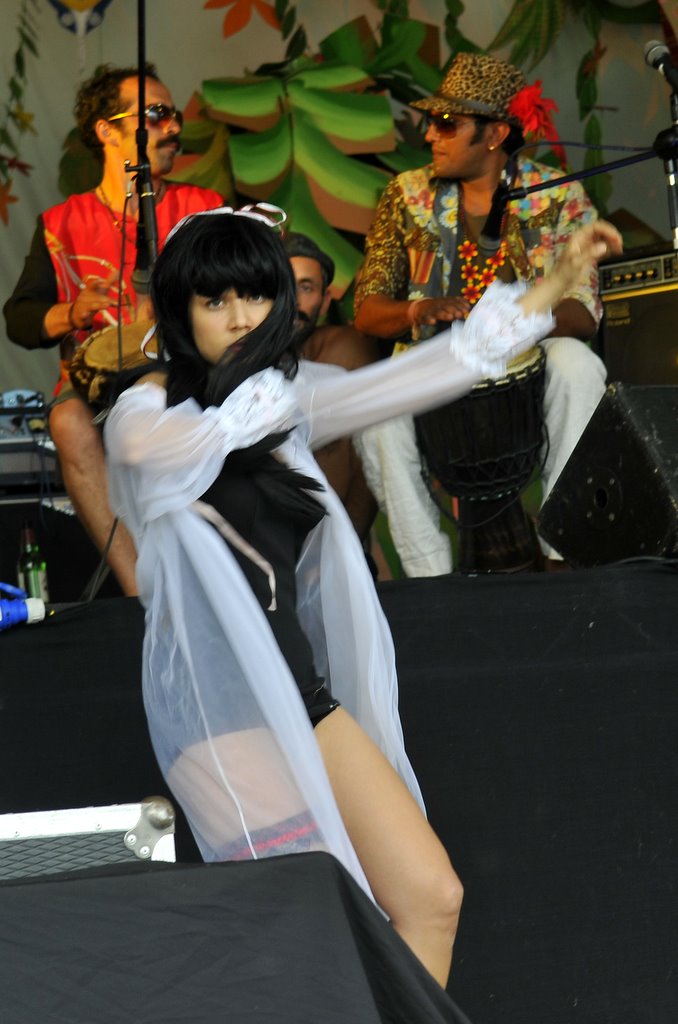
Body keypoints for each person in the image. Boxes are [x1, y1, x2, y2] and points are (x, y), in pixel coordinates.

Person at [103, 202, 620, 986]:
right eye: (214, 300)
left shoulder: (286, 398)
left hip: (304, 697)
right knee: (313, 938)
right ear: (180, 312)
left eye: (256, 295)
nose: (240, 317)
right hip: (224, 718)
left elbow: (422, 374)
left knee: (431, 899)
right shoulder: (147, 409)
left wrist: (548, 289)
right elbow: (170, 454)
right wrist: (264, 402)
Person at [353, 52, 607, 576]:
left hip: (529, 364)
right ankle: (430, 577)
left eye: (448, 123)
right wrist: (420, 308)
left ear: (494, 134)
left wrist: (516, 325)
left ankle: (563, 555)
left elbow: (582, 312)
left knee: (578, 365)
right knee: (377, 413)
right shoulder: (407, 196)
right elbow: (368, 311)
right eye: (432, 122)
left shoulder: (558, 196)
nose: (431, 135)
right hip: (435, 364)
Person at [3, 64, 223, 596]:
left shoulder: (203, 209)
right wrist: (72, 312)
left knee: (160, 395)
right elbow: (21, 318)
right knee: (66, 420)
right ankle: (139, 590)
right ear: (107, 130)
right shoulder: (61, 224)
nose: (174, 127)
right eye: (157, 115)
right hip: (97, 387)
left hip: (187, 375)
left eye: (173, 115)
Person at [282, 230, 379, 543]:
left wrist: (345, 550)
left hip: (337, 544)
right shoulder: (235, 356)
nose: (293, 299)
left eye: (306, 287)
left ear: (324, 302)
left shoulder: (343, 352)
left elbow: (369, 464)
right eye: (283, 283)